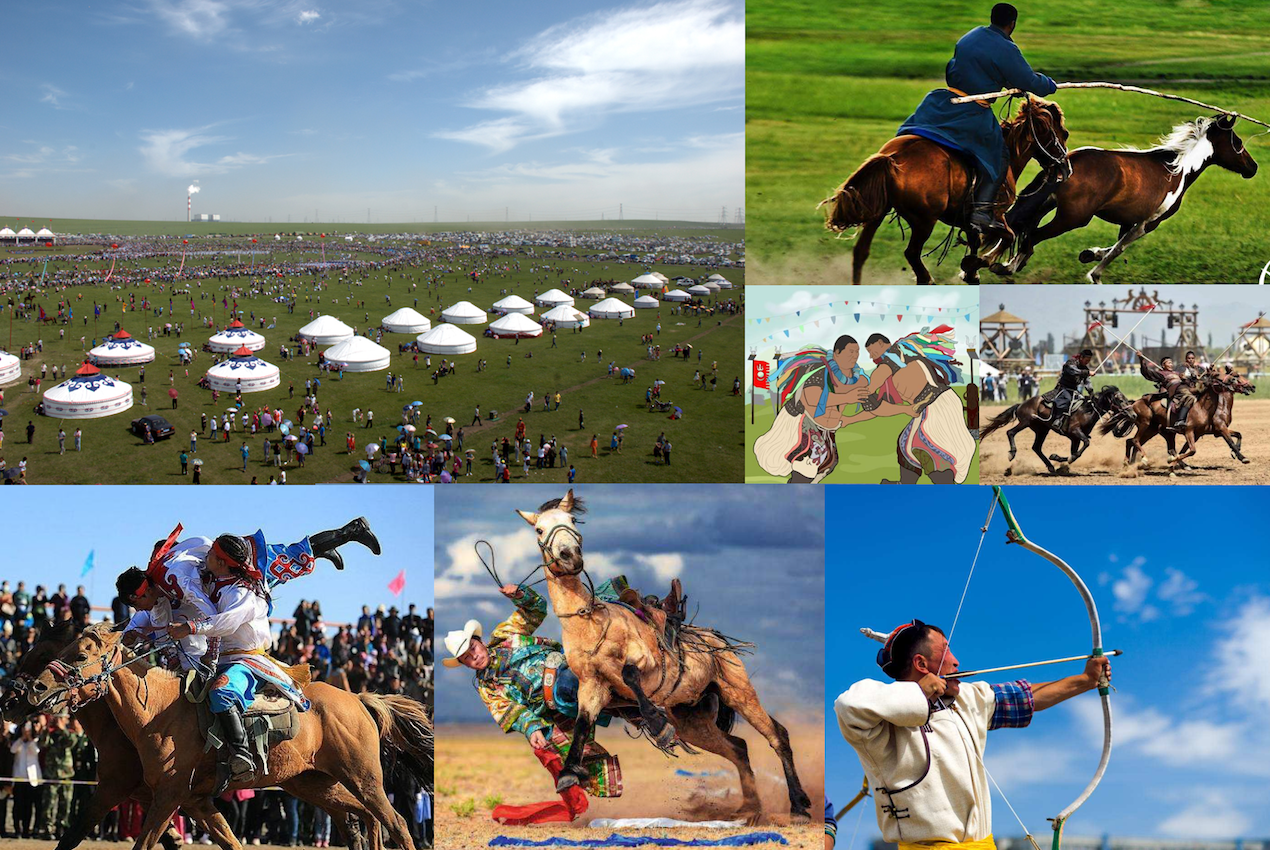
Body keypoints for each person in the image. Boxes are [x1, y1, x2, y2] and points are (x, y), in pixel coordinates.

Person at [835, 620, 1111, 850]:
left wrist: (1086, 680)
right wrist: (919, 693)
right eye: (946, 651)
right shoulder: (879, 719)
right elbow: (847, 705)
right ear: (921, 664)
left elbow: (1027, 698)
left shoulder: (967, 699)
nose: (956, 661)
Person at [895, 3, 1057, 237]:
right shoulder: (1007, 48)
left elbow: (961, 67)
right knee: (999, 156)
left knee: (912, 131)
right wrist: (1048, 85)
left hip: (946, 100)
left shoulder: (970, 36)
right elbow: (1029, 81)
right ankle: (981, 213)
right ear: (1012, 24)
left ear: (992, 18)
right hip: (972, 111)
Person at [1041, 349, 1093, 432]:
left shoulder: (1085, 368)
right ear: (1081, 358)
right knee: (1067, 399)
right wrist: (1087, 372)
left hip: (1074, 390)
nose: (1087, 362)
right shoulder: (1071, 363)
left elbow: (1087, 382)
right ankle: (1057, 420)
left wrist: (1091, 393)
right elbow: (1073, 371)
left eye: (1089, 361)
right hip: (1063, 388)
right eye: (1086, 360)